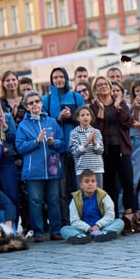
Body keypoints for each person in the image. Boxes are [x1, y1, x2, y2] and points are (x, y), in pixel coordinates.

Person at [16, 90, 64, 242]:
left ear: (41, 103)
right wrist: (36, 142)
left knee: (54, 200)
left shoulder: (51, 122)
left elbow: (62, 142)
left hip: (52, 168)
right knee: (35, 201)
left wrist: (52, 143)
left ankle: (56, 230)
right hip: (33, 170)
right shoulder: (23, 126)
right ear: (26, 106)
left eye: (37, 101)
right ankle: (38, 231)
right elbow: (20, 147)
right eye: (31, 103)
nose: (35, 104)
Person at [89, 76, 135, 218]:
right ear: (95, 89)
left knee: (127, 181)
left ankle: (129, 213)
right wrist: (101, 113)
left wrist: (117, 108)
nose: (103, 86)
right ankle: (112, 216)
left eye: (106, 84)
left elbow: (128, 123)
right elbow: (95, 130)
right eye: (99, 84)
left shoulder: (120, 103)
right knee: (109, 185)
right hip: (105, 151)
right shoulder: (93, 107)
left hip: (122, 148)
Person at [41, 67, 85, 198]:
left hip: (76, 149)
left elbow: (86, 120)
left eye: (61, 77)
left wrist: (71, 117)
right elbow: (44, 124)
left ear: (66, 78)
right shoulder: (46, 100)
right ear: (51, 80)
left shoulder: (76, 97)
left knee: (80, 186)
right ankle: (65, 218)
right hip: (56, 151)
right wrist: (58, 119)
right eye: (55, 77)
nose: (59, 80)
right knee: (61, 190)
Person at [60, 169, 125, 244]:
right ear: (81, 185)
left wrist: (98, 226)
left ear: (96, 183)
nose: (90, 184)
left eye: (93, 181)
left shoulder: (103, 196)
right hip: (84, 229)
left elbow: (110, 215)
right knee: (64, 229)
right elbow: (74, 220)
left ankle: (104, 234)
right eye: (87, 181)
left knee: (119, 222)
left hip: (101, 227)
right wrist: (88, 228)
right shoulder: (75, 199)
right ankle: (80, 236)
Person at [70, 106, 104, 188]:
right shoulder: (74, 133)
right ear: (78, 118)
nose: (85, 117)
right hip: (82, 170)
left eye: (88, 115)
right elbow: (75, 153)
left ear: (91, 117)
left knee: (98, 195)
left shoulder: (96, 132)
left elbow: (100, 151)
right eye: (82, 115)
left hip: (97, 168)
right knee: (83, 196)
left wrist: (94, 142)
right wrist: (86, 143)